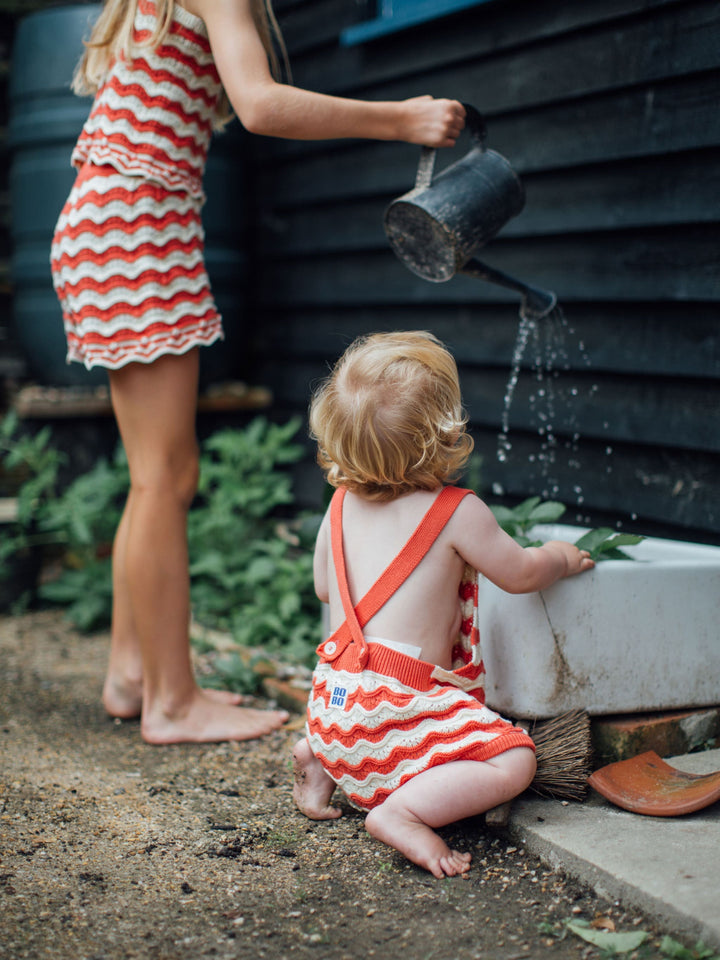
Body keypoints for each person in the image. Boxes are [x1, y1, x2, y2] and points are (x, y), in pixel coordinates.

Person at [50, 0, 466, 745]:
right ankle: (172, 703)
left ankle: (132, 673)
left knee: (154, 475)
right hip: (134, 226)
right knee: (164, 477)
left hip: (117, 220)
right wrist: (401, 119)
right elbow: (261, 104)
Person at [292, 331, 595, 877]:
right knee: (515, 758)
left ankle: (319, 762)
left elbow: (322, 589)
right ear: (445, 432)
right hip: (397, 709)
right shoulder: (457, 511)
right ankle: (401, 813)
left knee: (352, 723)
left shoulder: (338, 507)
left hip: (332, 703)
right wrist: (560, 557)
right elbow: (522, 574)